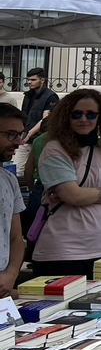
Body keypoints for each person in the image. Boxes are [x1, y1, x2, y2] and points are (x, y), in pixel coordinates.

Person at [33, 88, 101, 277]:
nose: (83, 119)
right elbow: (73, 196)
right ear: (66, 117)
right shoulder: (55, 149)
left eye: (91, 114)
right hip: (63, 251)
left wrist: (87, 194)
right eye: (76, 114)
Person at [0, 104, 27, 297]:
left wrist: (10, 274)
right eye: (11, 135)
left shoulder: (9, 180)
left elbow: (17, 238)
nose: (18, 142)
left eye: (20, 134)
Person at [20, 68, 59, 142]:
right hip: (25, 136)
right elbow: (23, 115)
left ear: (42, 80)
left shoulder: (51, 97)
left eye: (33, 80)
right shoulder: (28, 95)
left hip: (40, 138)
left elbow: (45, 119)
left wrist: (29, 135)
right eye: (28, 80)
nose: (29, 82)